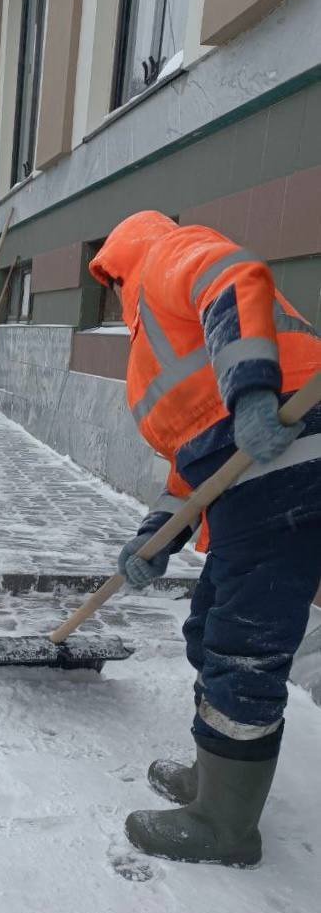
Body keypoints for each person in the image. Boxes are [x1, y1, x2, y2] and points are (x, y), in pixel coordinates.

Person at [89, 211, 321, 867]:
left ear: (118, 265)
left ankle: (225, 825)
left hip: (293, 468)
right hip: (249, 489)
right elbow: (190, 468)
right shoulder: (151, 351)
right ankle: (214, 776)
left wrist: (251, 394)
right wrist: (152, 542)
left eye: (107, 278)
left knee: (243, 648)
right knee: (207, 630)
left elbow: (232, 279)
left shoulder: (167, 257)